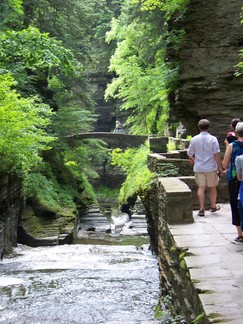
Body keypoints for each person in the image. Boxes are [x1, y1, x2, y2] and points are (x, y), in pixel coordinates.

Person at [187, 119, 223, 216]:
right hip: (211, 167)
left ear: (199, 127)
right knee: (212, 187)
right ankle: (212, 206)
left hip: (199, 167)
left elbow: (190, 153)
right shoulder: (213, 139)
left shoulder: (194, 139)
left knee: (201, 187)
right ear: (208, 127)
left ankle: (201, 208)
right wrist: (220, 167)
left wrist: (192, 159)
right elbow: (216, 154)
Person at [223, 122, 243, 242]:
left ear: (236, 132)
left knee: (235, 204)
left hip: (235, 180)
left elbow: (225, 164)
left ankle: (240, 234)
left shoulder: (232, 146)